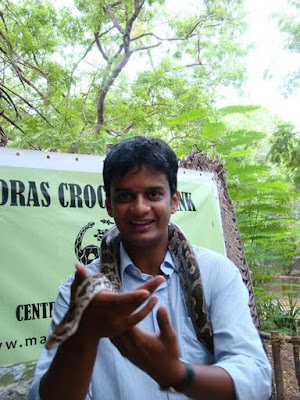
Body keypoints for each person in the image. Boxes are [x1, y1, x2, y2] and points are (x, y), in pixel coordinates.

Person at [28, 136, 272, 400]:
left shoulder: (217, 274)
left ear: (174, 201)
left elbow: (256, 378)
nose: (140, 208)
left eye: (153, 194)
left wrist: (177, 374)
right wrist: (82, 336)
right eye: (125, 196)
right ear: (109, 205)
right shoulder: (80, 293)